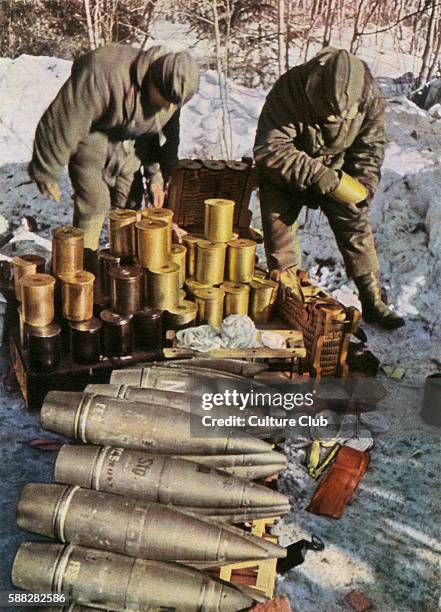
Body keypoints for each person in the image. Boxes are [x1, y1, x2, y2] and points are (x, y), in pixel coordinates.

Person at [254, 47, 404, 329]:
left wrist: (365, 185)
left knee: (355, 224)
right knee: (280, 238)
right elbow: (269, 148)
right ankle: (290, 304)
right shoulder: (291, 87)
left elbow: (369, 149)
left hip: (336, 169)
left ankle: (372, 301)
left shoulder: (369, 96)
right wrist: (319, 175)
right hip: (285, 171)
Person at [29, 44, 199, 268]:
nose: (168, 106)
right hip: (92, 133)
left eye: (174, 104)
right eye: (165, 99)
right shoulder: (104, 73)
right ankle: (78, 269)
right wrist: (47, 170)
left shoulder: (173, 94)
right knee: (95, 202)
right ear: (153, 80)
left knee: (128, 203)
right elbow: (64, 120)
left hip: (129, 142)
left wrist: (156, 177)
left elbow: (157, 139)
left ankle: (124, 271)